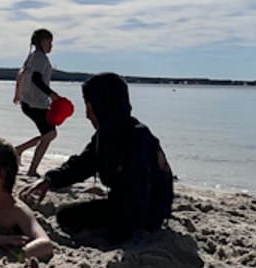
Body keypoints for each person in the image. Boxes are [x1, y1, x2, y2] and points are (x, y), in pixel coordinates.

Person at [19, 72, 173, 244]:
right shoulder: (105, 135)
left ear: (103, 106)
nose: (87, 114)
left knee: (112, 220)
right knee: (66, 216)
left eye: (89, 107)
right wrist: (49, 180)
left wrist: (108, 237)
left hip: (148, 211)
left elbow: (140, 198)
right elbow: (82, 164)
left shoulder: (137, 137)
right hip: (123, 202)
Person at [13, 28, 61, 177]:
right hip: (36, 104)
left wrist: (17, 94)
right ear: (41, 42)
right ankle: (31, 169)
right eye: (49, 42)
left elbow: (21, 74)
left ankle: (19, 150)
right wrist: (51, 94)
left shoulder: (32, 56)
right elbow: (36, 78)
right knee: (50, 134)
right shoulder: (40, 58)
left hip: (28, 103)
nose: (51, 46)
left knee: (48, 134)